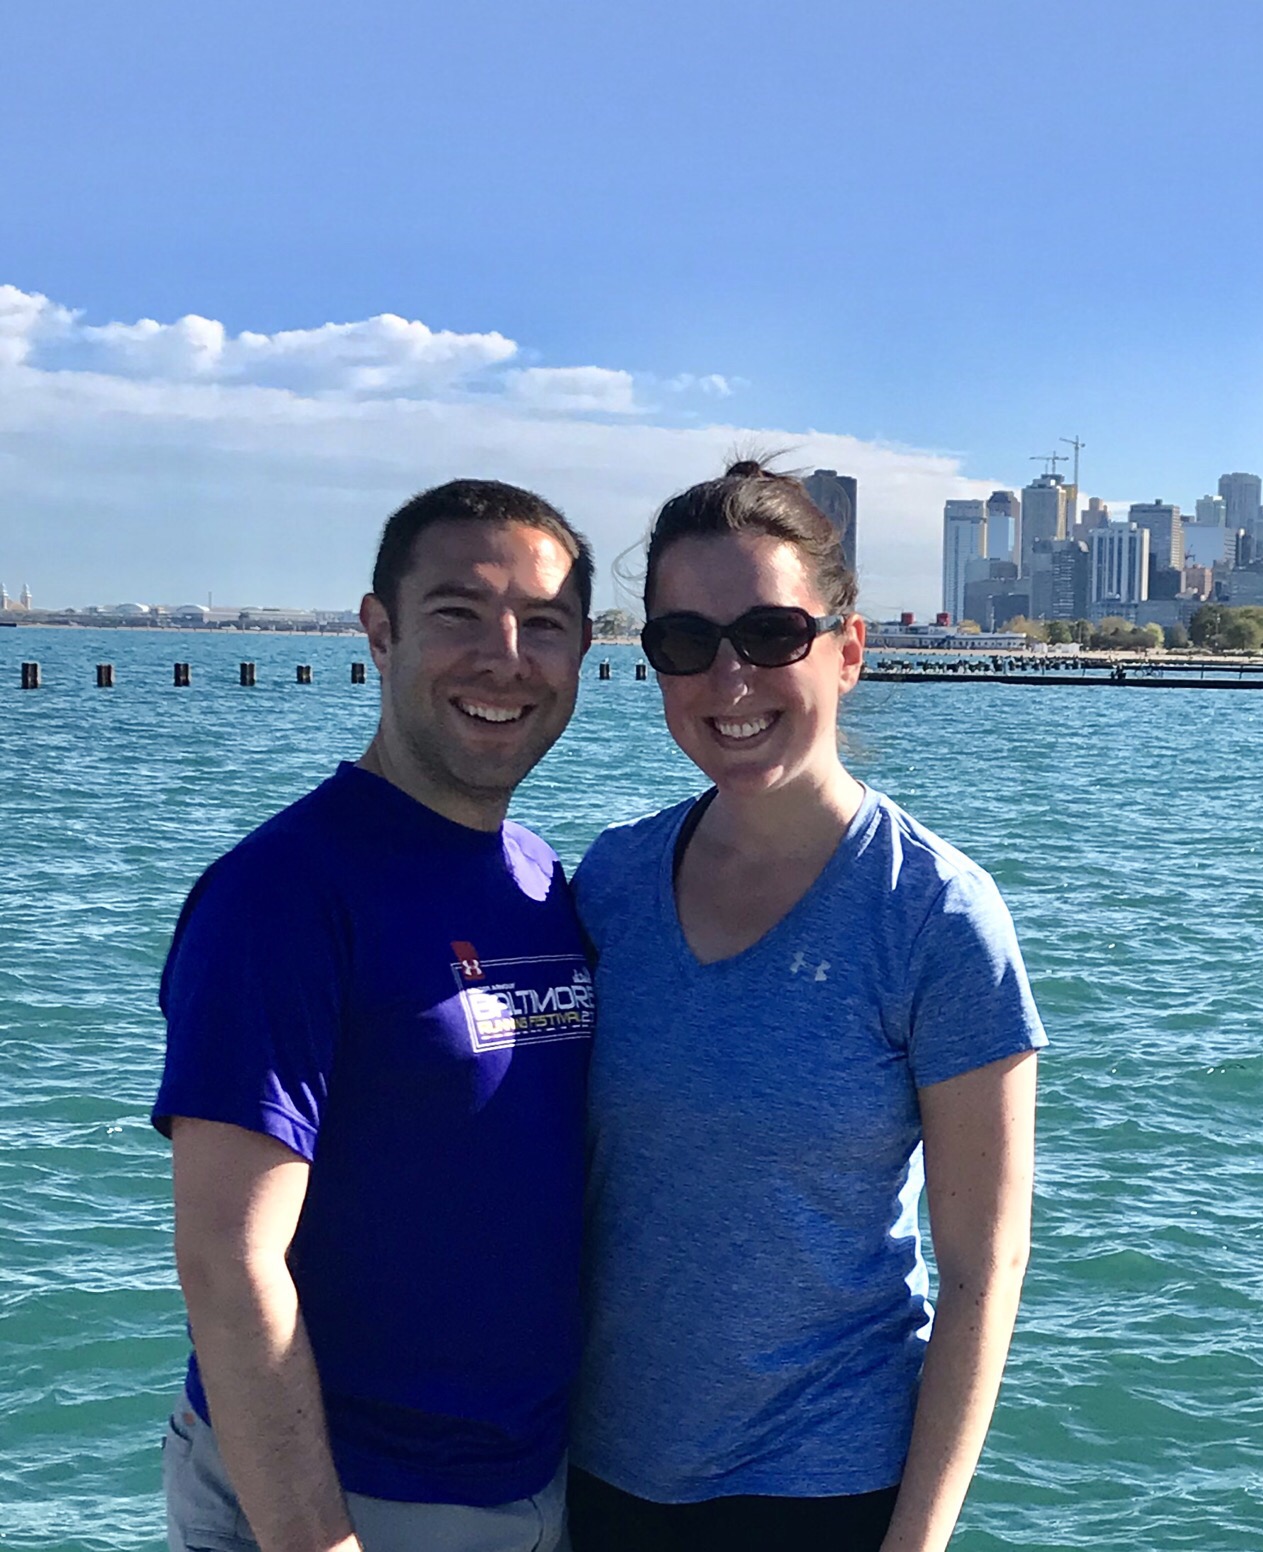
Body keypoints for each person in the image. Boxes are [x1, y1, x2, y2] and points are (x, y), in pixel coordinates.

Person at [570, 462, 1045, 1551]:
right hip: (591, 1476)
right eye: (685, 642)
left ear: (847, 649)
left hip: (824, 1493)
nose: (728, 677)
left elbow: (983, 1268)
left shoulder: (934, 915)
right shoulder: (608, 884)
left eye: (772, 633)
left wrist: (915, 1538)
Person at [153, 480, 596, 1551]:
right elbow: (227, 1257)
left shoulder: (542, 882)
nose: (504, 657)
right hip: (340, 1499)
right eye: (458, 613)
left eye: (543, 625)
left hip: (536, 1481)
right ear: (378, 630)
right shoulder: (283, 893)